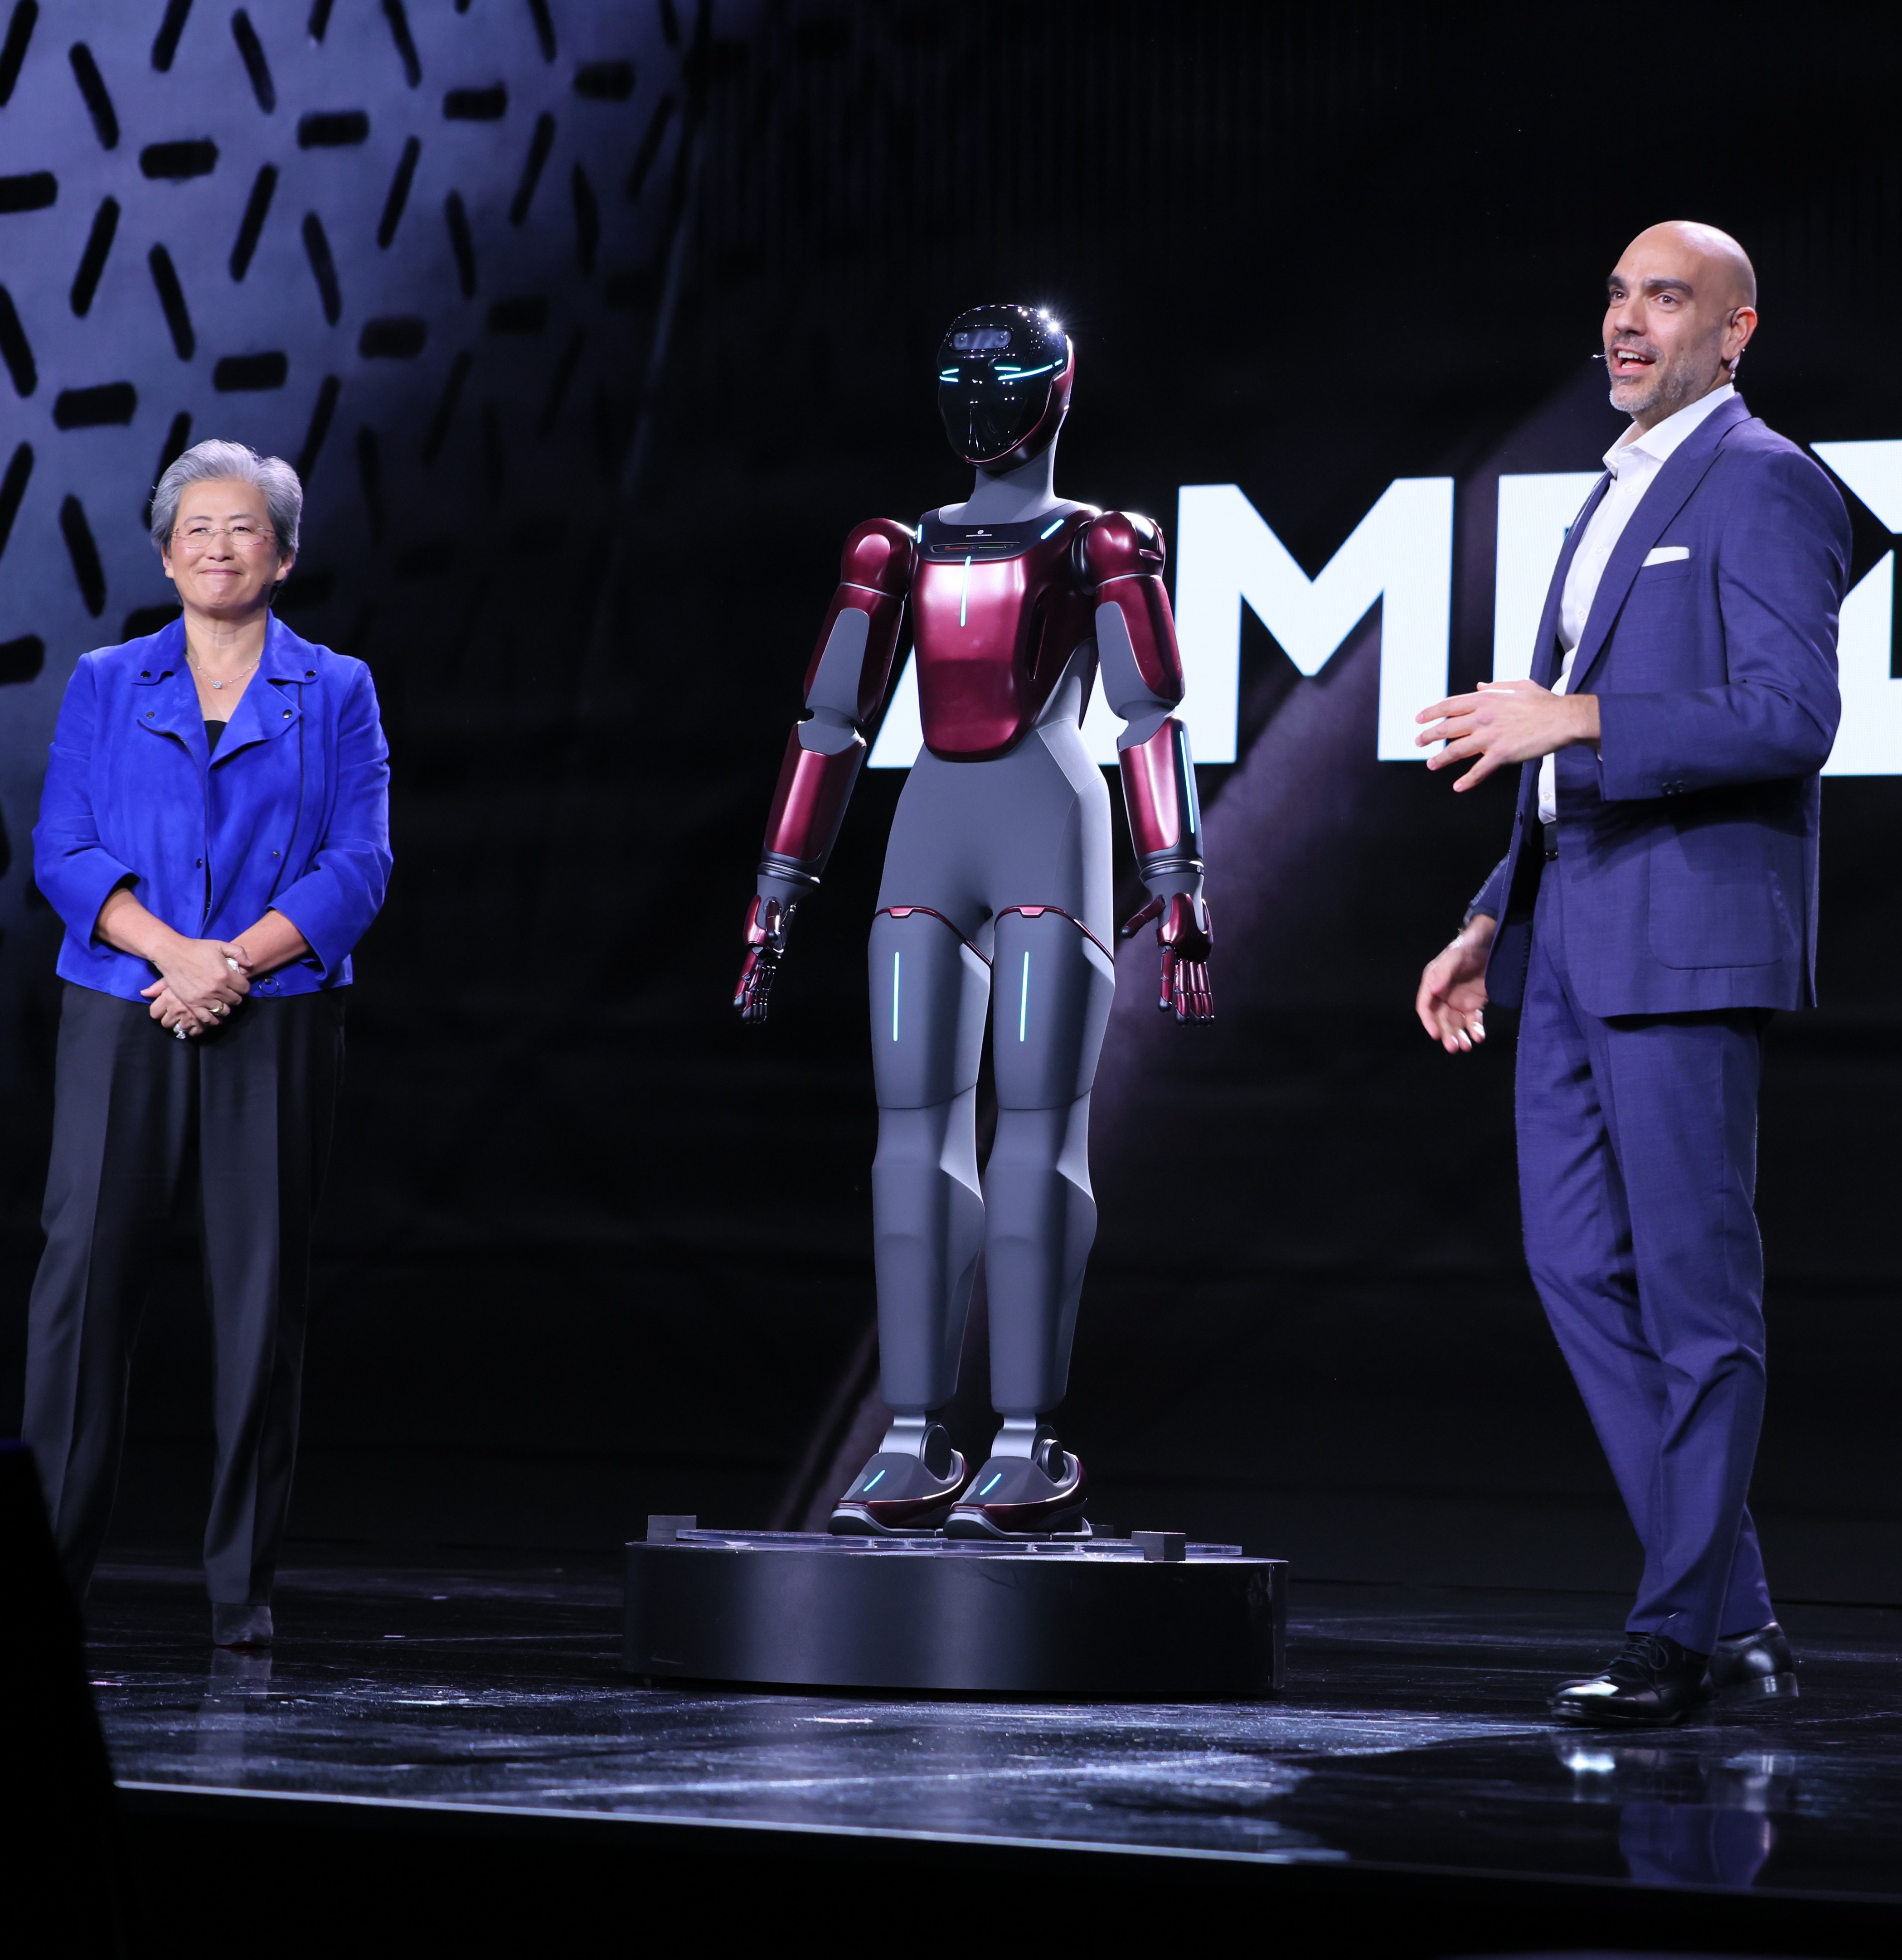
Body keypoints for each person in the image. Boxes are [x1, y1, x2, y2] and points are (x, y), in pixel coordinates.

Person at [1413, 223, 1849, 1725]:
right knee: (1570, 1269)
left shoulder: (1767, 480)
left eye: (1665, 298)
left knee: (1694, 1296)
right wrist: (1491, 917)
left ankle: (1675, 1631)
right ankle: (1730, 1608)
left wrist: (1582, 717)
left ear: (1733, 332)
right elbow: (1552, 749)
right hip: (1565, 940)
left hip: (1682, 938)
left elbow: (1790, 717)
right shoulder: (1607, 496)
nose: (1626, 320)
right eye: (1614, 294)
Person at [24, 440, 392, 1647]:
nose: (217, 546)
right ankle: (50, 1568)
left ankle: (241, 1598)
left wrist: (230, 964)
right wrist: (174, 957)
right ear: (165, 551)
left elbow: (359, 864)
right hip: (120, 1005)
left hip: (274, 1014)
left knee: (260, 1299)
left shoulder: (337, 688)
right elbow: (64, 850)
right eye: (196, 526)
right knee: (82, 1290)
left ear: (282, 556)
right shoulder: (105, 680)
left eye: (243, 529)